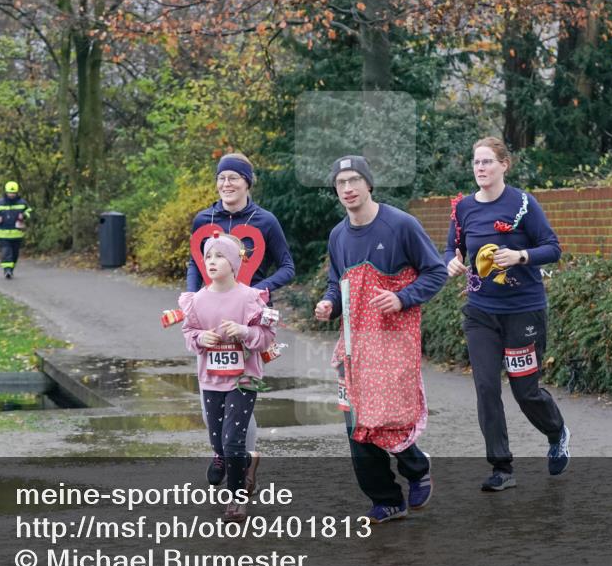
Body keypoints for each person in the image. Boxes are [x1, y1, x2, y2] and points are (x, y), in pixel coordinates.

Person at [315, 155, 446, 524]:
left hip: (392, 341)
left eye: (355, 180)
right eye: (341, 183)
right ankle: (386, 499)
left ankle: (417, 469)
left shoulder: (400, 225)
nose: (348, 188)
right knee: (357, 425)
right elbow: (336, 283)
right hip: (353, 347)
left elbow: (435, 272)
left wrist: (402, 297)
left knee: (386, 417)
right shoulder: (338, 235)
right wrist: (329, 304)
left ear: (369, 184)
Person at [444, 136, 569, 492]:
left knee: (524, 391)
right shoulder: (464, 208)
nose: (480, 168)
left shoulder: (524, 204)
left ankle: (557, 431)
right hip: (481, 313)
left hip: (522, 312)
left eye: (487, 162)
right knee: (485, 387)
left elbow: (553, 248)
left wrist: (520, 256)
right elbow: (451, 248)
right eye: (475, 162)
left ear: (504, 165)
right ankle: (501, 467)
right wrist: (450, 262)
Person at [186, 153, 295, 489]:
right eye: (221, 178)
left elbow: (287, 267)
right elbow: (194, 263)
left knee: (241, 387)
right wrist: (193, 299)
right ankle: (223, 451)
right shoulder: (204, 219)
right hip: (210, 317)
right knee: (212, 392)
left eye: (234, 178)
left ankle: (241, 462)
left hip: (249, 321)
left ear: (248, 182)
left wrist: (254, 292)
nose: (226, 184)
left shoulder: (265, 221)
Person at [179, 232, 277, 521]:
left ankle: (237, 502)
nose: (212, 261)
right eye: (208, 256)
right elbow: (188, 334)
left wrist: (245, 332)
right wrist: (200, 338)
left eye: (219, 256)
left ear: (234, 263)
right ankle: (244, 462)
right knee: (219, 443)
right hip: (210, 379)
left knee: (233, 440)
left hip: (244, 379)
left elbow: (267, 336)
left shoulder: (250, 298)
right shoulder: (196, 301)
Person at [0, 181, 32, 279]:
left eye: (13, 193)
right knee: (6, 252)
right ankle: (7, 270)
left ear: (17, 192)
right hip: (3, 234)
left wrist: (24, 215)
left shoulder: (22, 203)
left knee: (15, 254)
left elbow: (29, 212)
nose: (11, 195)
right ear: (6, 192)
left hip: (17, 234)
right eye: (10, 193)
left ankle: (10, 270)